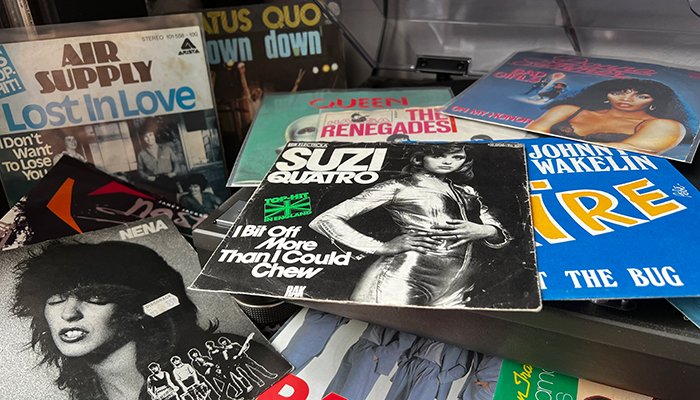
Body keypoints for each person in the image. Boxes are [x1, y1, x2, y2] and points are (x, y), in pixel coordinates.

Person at [11, 241, 219, 400]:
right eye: (57, 298)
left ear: (138, 308)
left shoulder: (218, 361)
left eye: (94, 296)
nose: (69, 313)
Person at [309, 143, 511, 307]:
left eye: (457, 157)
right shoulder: (399, 186)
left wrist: (485, 230)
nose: (448, 162)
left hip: (458, 285)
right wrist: (381, 247)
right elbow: (325, 220)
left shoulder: (467, 192)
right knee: (378, 334)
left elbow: (500, 235)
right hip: (402, 277)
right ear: (419, 157)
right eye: (438, 156)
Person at [526, 78, 694, 155]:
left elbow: (632, 152)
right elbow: (531, 137)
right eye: (618, 93)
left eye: (641, 96)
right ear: (606, 95)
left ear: (654, 101)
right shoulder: (567, 110)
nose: (626, 99)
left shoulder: (665, 125)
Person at [136, 121, 182, 187]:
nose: (149, 139)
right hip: (154, 183)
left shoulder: (166, 148)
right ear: (143, 139)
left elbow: (176, 162)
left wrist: (174, 173)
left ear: (154, 135)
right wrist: (147, 177)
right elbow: (140, 171)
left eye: (150, 135)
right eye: (146, 136)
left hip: (169, 180)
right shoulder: (141, 154)